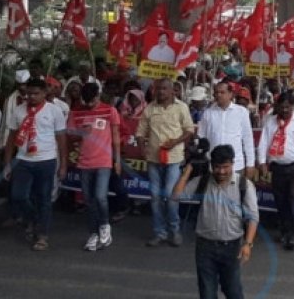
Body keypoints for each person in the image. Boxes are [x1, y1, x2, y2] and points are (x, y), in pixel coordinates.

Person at [173, 144, 259, 299]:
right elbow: (176, 196)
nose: (221, 172)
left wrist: (248, 244)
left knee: (233, 291)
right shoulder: (202, 182)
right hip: (205, 247)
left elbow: (252, 217)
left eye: (225, 167)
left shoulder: (244, 185)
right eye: (217, 167)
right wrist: (187, 173)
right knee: (207, 293)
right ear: (211, 165)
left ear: (232, 164)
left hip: (232, 247)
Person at [3, 77, 67, 251]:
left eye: (36, 93)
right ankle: (34, 219)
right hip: (23, 160)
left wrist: (63, 165)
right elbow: (11, 138)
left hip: (46, 160)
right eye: (29, 93)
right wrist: (7, 163)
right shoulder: (19, 110)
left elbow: (61, 140)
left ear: (45, 93)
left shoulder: (54, 111)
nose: (31, 97)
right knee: (19, 196)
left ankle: (42, 236)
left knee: (44, 198)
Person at [135, 78, 195, 247]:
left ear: (172, 91)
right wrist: (141, 148)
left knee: (170, 196)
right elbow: (140, 132)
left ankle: (174, 230)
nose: (160, 92)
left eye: (163, 89)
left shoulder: (181, 107)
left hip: (174, 159)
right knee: (155, 198)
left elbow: (189, 130)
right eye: (157, 89)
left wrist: (175, 142)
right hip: (153, 159)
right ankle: (159, 232)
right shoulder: (149, 108)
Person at [67, 83, 121, 251]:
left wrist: (117, 161)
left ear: (98, 96)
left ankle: (104, 225)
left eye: (93, 100)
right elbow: (70, 134)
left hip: (104, 161)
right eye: (87, 101)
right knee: (89, 200)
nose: (90, 105)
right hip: (84, 162)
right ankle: (93, 233)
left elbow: (116, 137)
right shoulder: (76, 112)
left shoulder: (110, 110)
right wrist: (82, 132)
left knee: (100, 197)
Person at [257, 93, 294, 250]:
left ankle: (293, 235)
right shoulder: (270, 122)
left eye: (288, 106)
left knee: (293, 200)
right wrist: (262, 162)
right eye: (282, 106)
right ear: (278, 107)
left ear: (293, 107)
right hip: (277, 168)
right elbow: (263, 143)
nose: (285, 109)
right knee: (280, 201)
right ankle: (284, 230)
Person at [197, 82, 256, 180]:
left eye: (222, 92)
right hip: (214, 166)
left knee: (235, 194)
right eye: (216, 92)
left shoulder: (241, 112)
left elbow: (248, 139)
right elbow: (201, 138)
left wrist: (250, 163)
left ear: (230, 94)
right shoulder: (208, 113)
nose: (218, 95)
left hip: (236, 165)